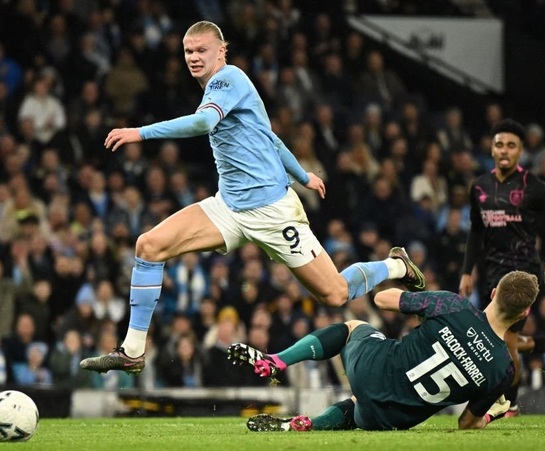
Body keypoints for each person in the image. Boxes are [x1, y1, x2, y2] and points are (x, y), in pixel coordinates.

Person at [80, 21, 426, 376]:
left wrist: (140, 132)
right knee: (149, 245)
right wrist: (303, 174)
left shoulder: (228, 80)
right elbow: (270, 138)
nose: (194, 57)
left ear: (221, 50)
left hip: (274, 214)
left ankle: (397, 266)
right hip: (228, 207)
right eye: (188, 51)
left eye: (201, 50)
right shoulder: (221, 89)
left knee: (335, 294)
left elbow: (203, 124)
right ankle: (133, 351)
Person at [229, 270, 539, 431]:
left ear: (494, 292)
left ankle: (277, 361)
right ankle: (311, 424)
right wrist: (492, 416)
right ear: (524, 314)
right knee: (364, 403)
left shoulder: (454, 305)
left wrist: (417, 288)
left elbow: (383, 300)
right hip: (392, 418)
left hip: (373, 368)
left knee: (354, 327)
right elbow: (466, 424)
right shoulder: (503, 369)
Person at [458, 118, 545, 416]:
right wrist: (466, 270)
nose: (504, 150)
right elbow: (476, 230)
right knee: (499, 338)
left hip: (523, 273)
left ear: (521, 151)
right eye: (499, 144)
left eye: (511, 145)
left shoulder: (533, 187)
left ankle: (508, 403)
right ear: (492, 147)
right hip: (491, 274)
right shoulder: (480, 186)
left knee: (504, 337)